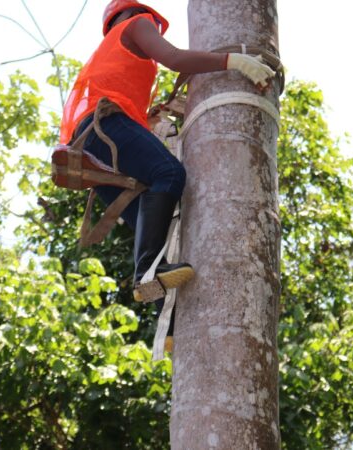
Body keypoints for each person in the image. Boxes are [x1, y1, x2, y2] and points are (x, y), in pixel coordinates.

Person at [59, 0, 275, 350]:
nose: (154, 31)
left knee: (150, 218)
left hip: (90, 150)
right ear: (134, 15)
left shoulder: (113, 54)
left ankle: (169, 322)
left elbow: (135, 112)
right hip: (102, 127)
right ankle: (149, 272)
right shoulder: (136, 23)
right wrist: (234, 62)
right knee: (169, 174)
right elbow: (174, 58)